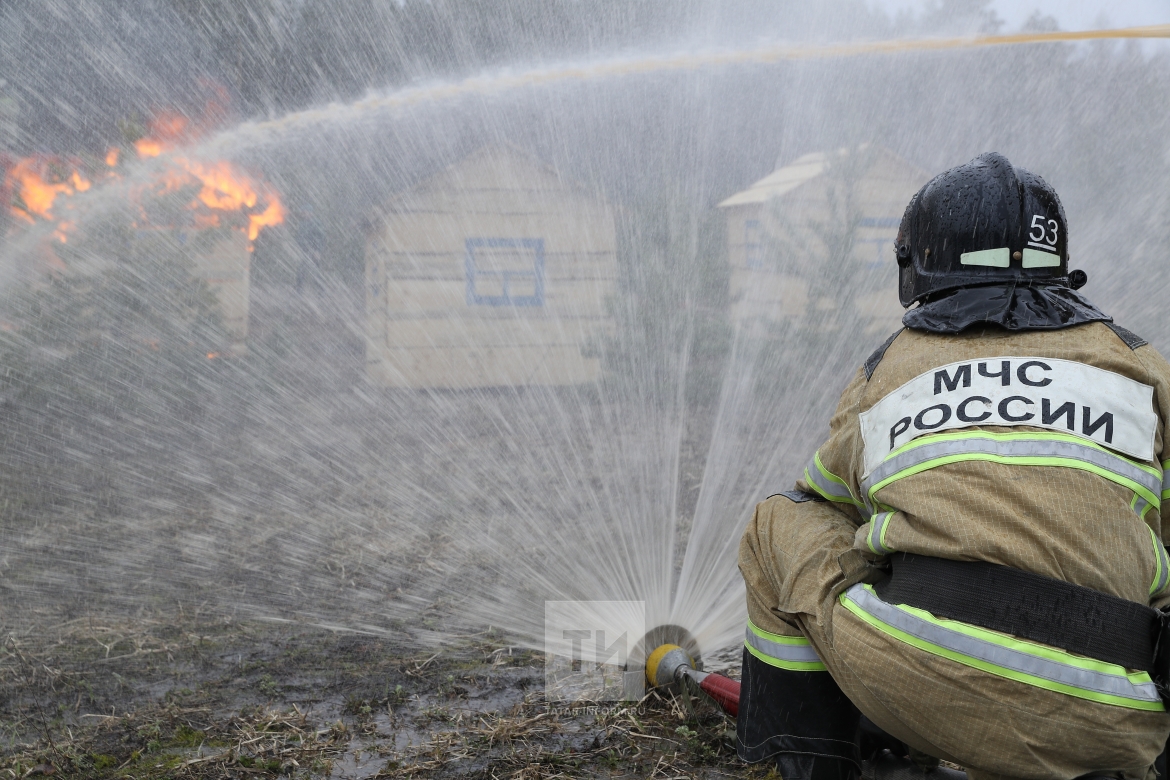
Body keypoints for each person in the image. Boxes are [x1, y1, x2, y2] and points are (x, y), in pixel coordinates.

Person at [736, 152, 1170, 780]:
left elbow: (828, 500)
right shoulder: (1139, 362)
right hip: (1115, 714)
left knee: (781, 522)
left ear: (919, 266)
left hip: (921, 685)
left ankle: (823, 760)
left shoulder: (888, 368)